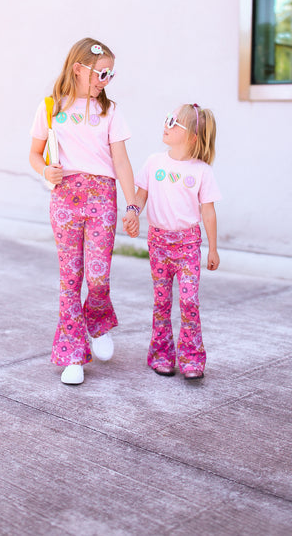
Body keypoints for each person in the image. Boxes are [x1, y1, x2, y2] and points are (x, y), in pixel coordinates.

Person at [29, 38, 140, 385]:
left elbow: (121, 160)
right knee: (69, 280)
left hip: (102, 197)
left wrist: (133, 203)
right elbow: (34, 154)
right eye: (101, 73)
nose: (106, 80)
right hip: (64, 198)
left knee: (97, 276)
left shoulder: (111, 111)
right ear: (79, 69)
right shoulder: (51, 107)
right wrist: (45, 170)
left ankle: (98, 322)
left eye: (110, 74)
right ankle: (73, 355)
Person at [124, 103, 221, 379]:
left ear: (192, 136)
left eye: (173, 122)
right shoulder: (154, 162)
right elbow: (140, 195)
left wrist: (212, 248)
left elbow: (208, 212)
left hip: (188, 244)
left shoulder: (202, 171)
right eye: (168, 118)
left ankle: (192, 359)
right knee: (162, 301)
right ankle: (161, 354)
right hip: (159, 243)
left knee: (189, 301)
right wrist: (133, 212)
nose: (166, 124)